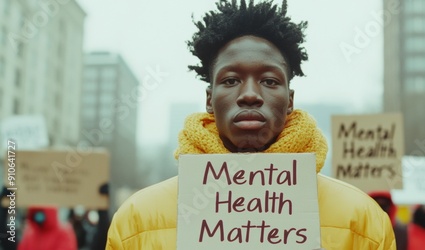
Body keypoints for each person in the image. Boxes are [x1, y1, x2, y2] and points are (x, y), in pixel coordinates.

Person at [105, 0, 395, 249]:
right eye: (231, 81)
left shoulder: (363, 222)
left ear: (290, 101)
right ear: (209, 100)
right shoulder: (137, 221)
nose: (250, 94)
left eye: (269, 81)